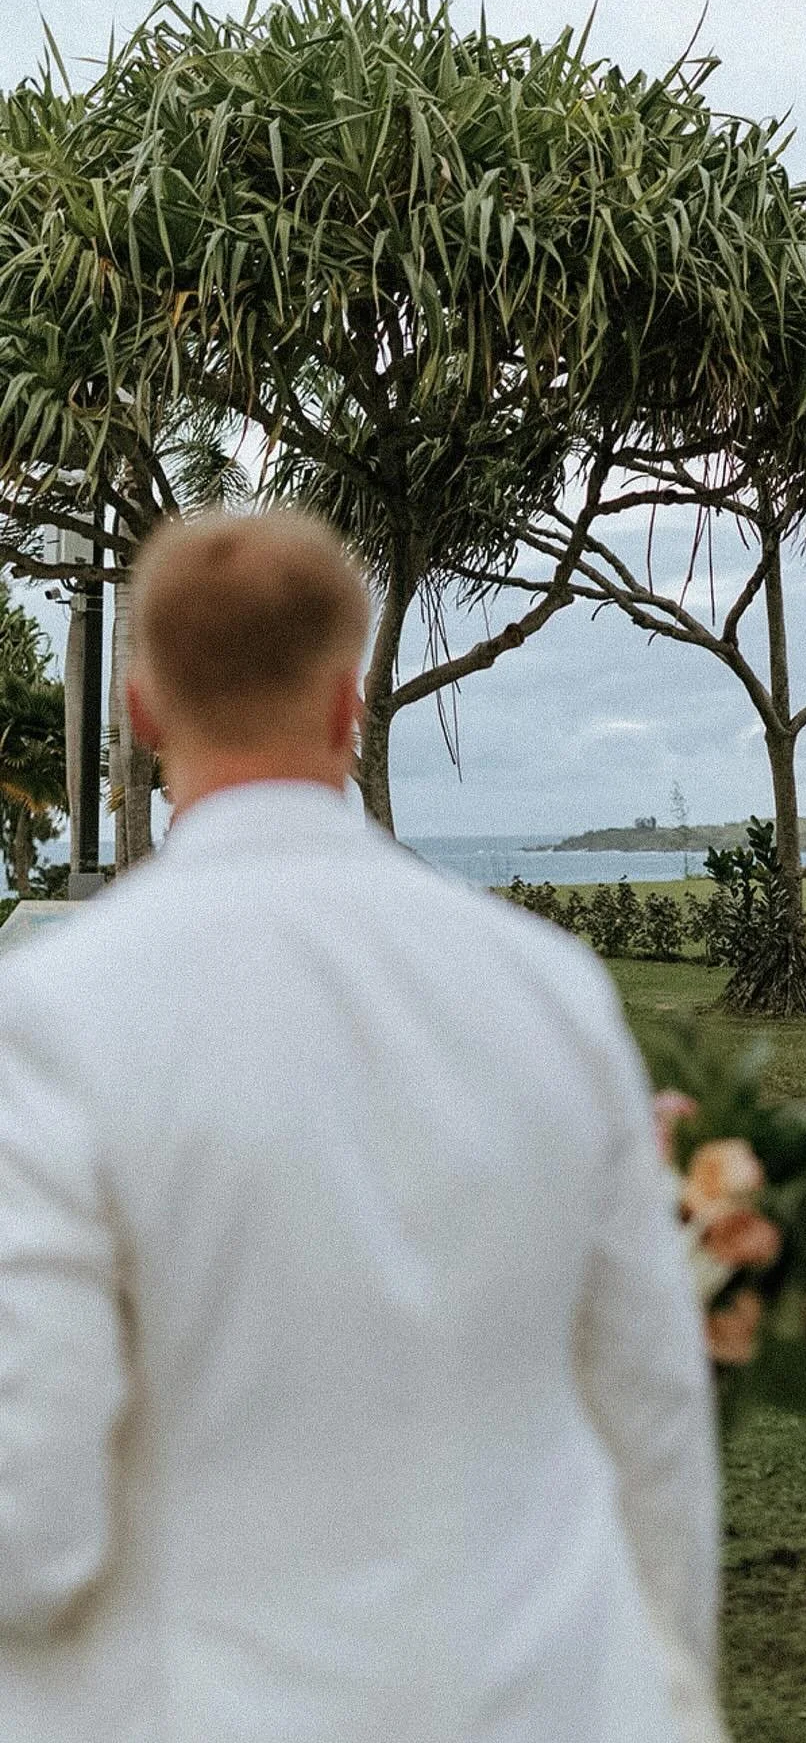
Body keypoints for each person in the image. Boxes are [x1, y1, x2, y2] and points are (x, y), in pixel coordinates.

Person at [0, 509, 724, 1743]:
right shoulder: (551, 989)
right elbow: (653, 1414)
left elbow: (31, 1528)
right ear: (348, 704)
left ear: (141, 713)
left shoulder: (51, 1021)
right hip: (544, 1696)